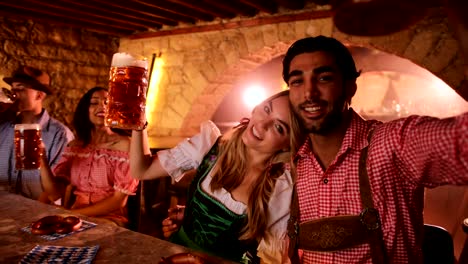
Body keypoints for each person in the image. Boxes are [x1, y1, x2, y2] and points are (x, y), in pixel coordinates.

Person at [283, 28, 468, 264]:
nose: (309, 92)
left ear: (351, 87)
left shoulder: (393, 143)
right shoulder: (296, 164)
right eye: (297, 81)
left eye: (324, 78)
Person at [130, 90, 297, 263]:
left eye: (279, 127)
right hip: (173, 256)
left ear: (288, 144)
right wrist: (138, 120)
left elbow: (271, 260)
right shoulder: (210, 145)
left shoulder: (279, 188)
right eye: (267, 109)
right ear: (257, 107)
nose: (262, 124)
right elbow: (142, 170)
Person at [39, 86, 139, 226]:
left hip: (109, 219)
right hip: (74, 217)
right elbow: (54, 193)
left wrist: (73, 214)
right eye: (94, 102)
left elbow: (118, 201)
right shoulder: (75, 146)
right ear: (85, 110)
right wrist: (42, 160)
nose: (102, 107)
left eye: (107, 103)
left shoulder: (126, 146)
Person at [0, 66, 74, 199]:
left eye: (21, 88)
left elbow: (57, 191)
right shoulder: (3, 125)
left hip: (38, 211)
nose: (14, 93)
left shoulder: (59, 134)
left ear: (39, 95)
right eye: (13, 88)